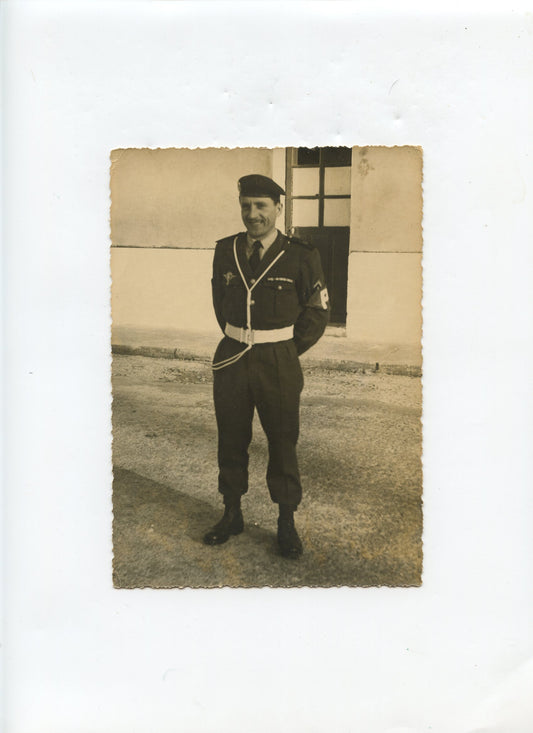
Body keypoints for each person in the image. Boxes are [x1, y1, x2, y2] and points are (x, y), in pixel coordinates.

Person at [203, 174, 329, 558]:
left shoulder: (301, 254)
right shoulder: (226, 250)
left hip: (278, 361)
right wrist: (240, 335)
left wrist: (286, 350)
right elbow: (219, 299)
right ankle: (232, 513)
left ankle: (286, 522)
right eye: (246, 206)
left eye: (261, 206)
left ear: (278, 208)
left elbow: (318, 312)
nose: (252, 214)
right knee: (231, 438)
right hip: (232, 356)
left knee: (283, 441)